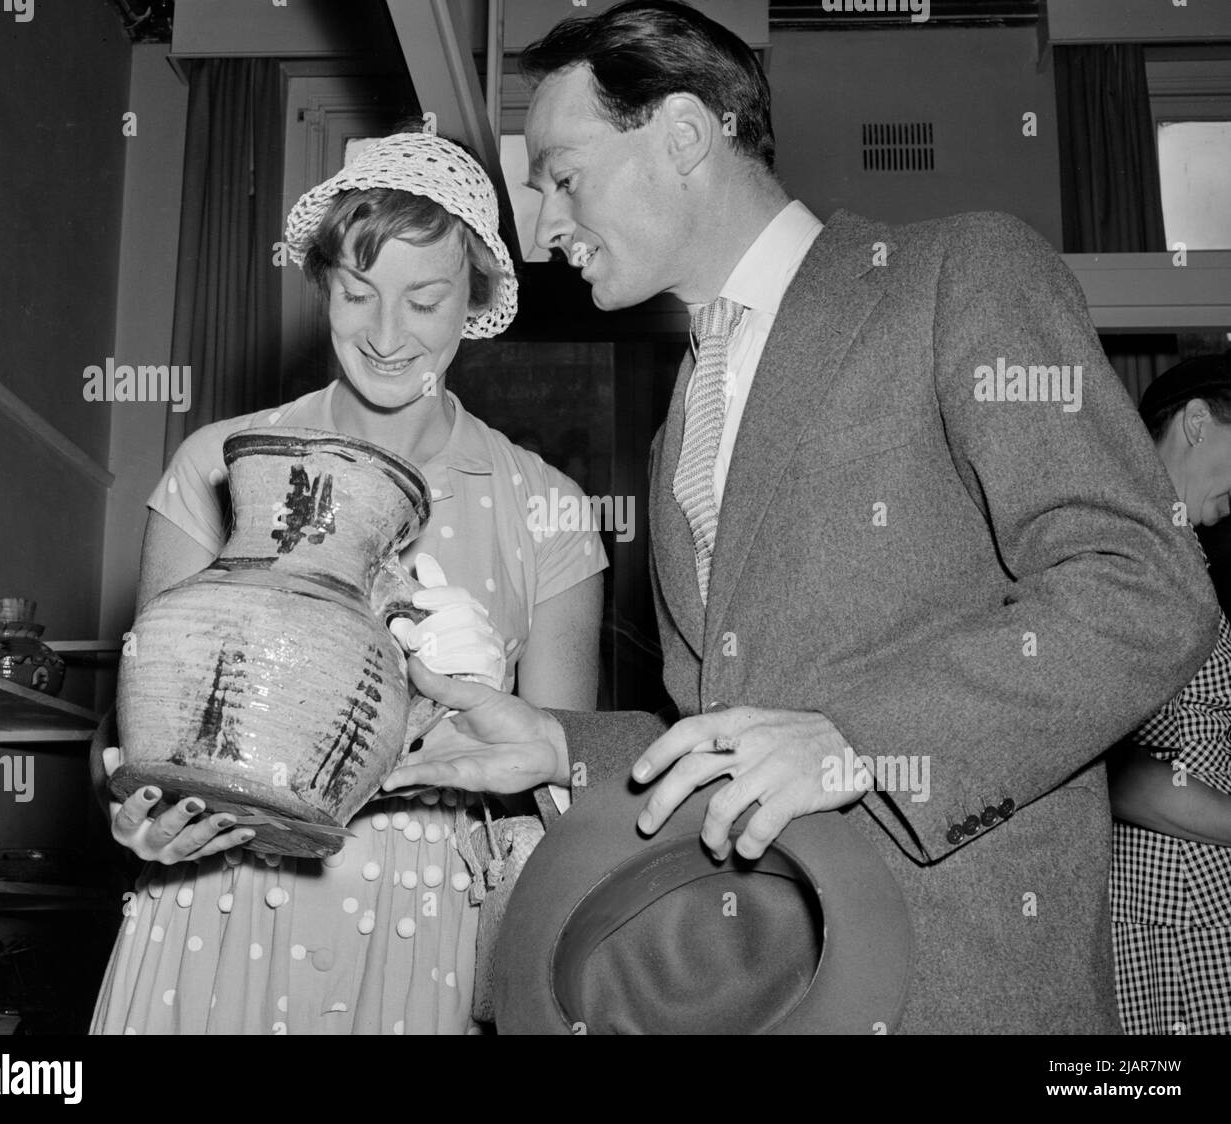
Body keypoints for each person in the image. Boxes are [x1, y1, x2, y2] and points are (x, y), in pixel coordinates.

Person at [383, 1, 1219, 1033]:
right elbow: (737, 724)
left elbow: (1142, 583)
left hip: (960, 993)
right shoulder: (677, 420)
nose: (544, 224)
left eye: (561, 174)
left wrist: (862, 741)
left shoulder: (959, 276)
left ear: (684, 133)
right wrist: (559, 745)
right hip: (772, 991)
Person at [89, 132, 606, 1035]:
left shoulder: (547, 508)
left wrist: (473, 706)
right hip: (218, 897)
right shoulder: (219, 464)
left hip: (426, 933)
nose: (385, 334)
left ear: (477, 298)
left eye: (425, 298)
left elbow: (563, 786)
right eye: (357, 292)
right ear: (324, 282)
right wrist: (130, 813)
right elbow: (134, 725)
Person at [1109, 353, 1231, 1035]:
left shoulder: (1181, 551)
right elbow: (1112, 774)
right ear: (1196, 422)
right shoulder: (1134, 556)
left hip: (1198, 890)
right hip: (1173, 902)